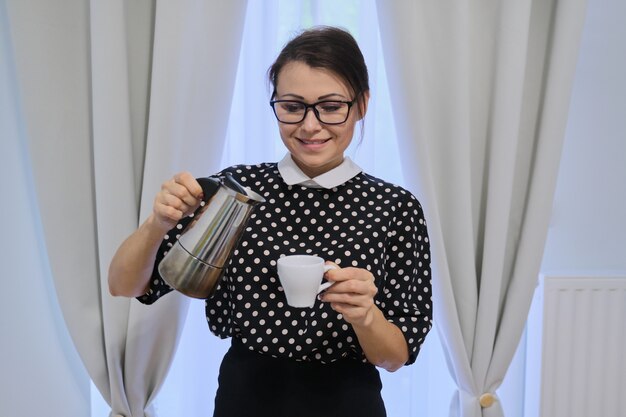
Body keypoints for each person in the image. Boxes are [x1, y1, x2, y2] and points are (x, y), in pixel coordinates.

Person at [108, 26, 432, 417]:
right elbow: (124, 285)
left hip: (348, 400)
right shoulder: (234, 191)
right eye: (293, 106)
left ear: (361, 104)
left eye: (330, 107)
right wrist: (156, 224)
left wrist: (366, 316)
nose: (310, 126)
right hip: (245, 397)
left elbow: (396, 355)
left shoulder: (394, 208)